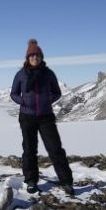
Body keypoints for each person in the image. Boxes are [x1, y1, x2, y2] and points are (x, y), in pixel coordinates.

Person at [10, 39, 74, 195]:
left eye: (37, 56)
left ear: (41, 57)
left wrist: (47, 101)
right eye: (32, 56)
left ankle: (66, 182)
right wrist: (23, 101)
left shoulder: (48, 74)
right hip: (27, 117)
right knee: (29, 150)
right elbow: (13, 94)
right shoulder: (21, 74)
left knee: (55, 150)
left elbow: (57, 93)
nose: (34, 58)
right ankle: (31, 181)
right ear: (27, 58)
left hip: (46, 117)